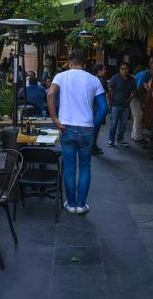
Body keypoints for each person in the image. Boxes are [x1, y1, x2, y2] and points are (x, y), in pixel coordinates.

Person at [47, 50, 108, 215]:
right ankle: (81, 205)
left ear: (70, 62)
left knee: (69, 167)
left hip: (66, 127)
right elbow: (104, 108)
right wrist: (93, 124)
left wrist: (54, 119)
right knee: (85, 167)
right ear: (85, 64)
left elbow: (51, 93)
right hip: (86, 129)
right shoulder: (94, 80)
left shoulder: (61, 76)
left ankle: (71, 204)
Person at [106, 62, 136, 148]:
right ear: (119, 70)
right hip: (115, 105)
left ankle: (120, 140)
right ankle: (111, 140)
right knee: (113, 123)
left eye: (126, 68)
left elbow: (135, 91)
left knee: (123, 124)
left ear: (128, 69)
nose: (124, 71)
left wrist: (130, 99)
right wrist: (110, 102)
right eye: (122, 69)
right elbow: (109, 91)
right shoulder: (115, 78)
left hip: (126, 106)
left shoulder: (132, 79)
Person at [131, 63, 151, 143]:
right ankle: (137, 136)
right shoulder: (145, 74)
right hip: (135, 97)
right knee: (139, 116)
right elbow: (139, 87)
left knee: (137, 116)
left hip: (135, 97)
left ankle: (134, 134)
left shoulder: (141, 74)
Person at [91, 64, 109, 155]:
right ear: (99, 71)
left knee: (95, 128)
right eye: (104, 69)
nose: (105, 71)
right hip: (97, 106)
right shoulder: (100, 81)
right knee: (95, 128)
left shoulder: (92, 79)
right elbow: (105, 94)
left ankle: (93, 146)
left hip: (94, 106)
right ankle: (92, 147)